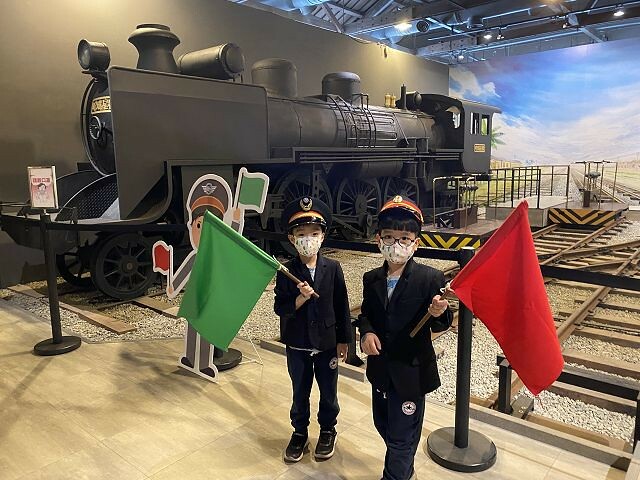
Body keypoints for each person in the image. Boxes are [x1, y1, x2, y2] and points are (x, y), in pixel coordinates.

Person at [358, 195, 452, 480]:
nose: (396, 244)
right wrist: (367, 332)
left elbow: (443, 322)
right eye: (389, 237)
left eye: (404, 238)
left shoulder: (429, 278)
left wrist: (438, 312)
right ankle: (405, 470)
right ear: (378, 239)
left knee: (400, 437)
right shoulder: (371, 278)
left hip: (411, 372)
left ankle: (395, 475)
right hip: (380, 370)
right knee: (384, 425)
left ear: (416, 243)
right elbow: (367, 314)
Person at [274, 196, 352, 463]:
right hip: (297, 343)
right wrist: (300, 298)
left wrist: (344, 340)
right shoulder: (286, 271)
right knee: (300, 391)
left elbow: (342, 304)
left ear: (323, 236)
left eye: (314, 233)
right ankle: (299, 432)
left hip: (327, 343)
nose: (308, 239)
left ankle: (328, 429)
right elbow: (280, 308)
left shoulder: (333, 268)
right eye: (301, 234)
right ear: (292, 238)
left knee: (329, 391)